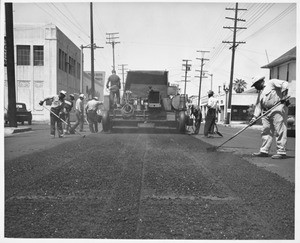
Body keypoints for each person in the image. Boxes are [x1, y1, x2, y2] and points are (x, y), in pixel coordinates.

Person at [250, 76, 289, 159]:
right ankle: (264, 151)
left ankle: (281, 152)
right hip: (266, 112)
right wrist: (254, 118)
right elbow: (258, 106)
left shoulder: (272, 82)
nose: (255, 87)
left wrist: (284, 95)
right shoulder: (261, 93)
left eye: (256, 85)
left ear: (260, 82)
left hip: (277, 109)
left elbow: (285, 84)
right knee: (266, 131)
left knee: (280, 130)